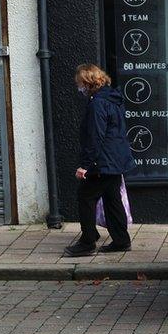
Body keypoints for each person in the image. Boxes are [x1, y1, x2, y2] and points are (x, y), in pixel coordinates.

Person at [64, 64, 136, 257]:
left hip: (103, 161)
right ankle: (121, 240)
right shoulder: (112, 98)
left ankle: (87, 241)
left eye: (80, 83)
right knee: (112, 200)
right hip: (115, 159)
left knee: (85, 196)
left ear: (87, 82)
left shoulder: (97, 103)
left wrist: (85, 165)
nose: (79, 87)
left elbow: (95, 136)